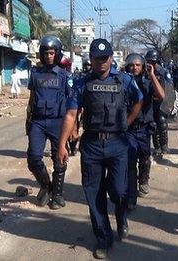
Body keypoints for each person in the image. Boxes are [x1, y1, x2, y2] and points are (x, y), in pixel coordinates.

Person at [57, 39, 143, 259]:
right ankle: (103, 237)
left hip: (118, 144)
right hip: (92, 145)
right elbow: (71, 114)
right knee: (94, 194)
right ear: (91, 59)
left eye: (105, 59)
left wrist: (128, 122)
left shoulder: (125, 81)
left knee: (119, 190)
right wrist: (62, 145)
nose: (102, 63)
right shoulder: (81, 83)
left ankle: (121, 217)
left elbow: (138, 100)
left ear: (111, 59)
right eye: (97, 58)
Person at [25, 35, 72, 210]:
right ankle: (46, 186)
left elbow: (72, 104)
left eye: (51, 53)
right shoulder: (35, 74)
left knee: (59, 158)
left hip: (58, 122)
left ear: (57, 54)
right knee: (33, 158)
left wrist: (73, 127)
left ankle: (57, 195)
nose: (48, 56)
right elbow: (31, 99)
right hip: (37, 122)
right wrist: (27, 119)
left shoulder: (65, 76)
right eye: (45, 53)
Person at [124, 53, 165, 209]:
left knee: (145, 158)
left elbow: (161, 95)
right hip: (129, 129)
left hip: (144, 128)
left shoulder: (148, 82)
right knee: (130, 161)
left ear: (143, 67)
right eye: (132, 65)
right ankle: (131, 197)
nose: (134, 68)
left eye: (137, 65)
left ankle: (144, 181)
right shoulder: (124, 82)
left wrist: (152, 75)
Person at [146, 49, 173, 156]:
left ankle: (164, 146)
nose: (150, 63)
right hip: (151, 101)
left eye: (152, 61)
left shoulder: (164, 72)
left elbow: (170, 87)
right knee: (153, 125)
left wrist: (169, 102)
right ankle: (157, 147)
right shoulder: (146, 72)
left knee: (162, 123)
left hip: (162, 102)